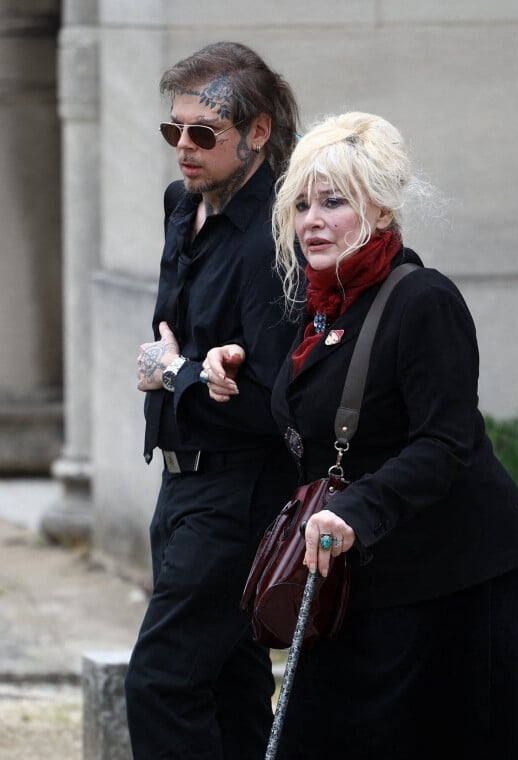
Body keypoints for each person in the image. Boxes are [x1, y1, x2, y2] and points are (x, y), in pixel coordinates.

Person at [204, 111, 518, 759]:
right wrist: (234, 370)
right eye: (302, 204)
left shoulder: (423, 300)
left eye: (334, 202)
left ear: (381, 213)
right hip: (359, 575)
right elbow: (319, 405)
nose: (312, 220)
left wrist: (354, 510)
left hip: (451, 572)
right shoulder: (321, 305)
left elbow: (447, 441)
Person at [125, 42, 301, 760]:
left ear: (258, 132)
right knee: (227, 680)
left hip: (241, 489)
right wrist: (170, 366)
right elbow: (176, 337)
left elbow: (271, 398)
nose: (184, 150)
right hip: (180, 479)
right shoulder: (183, 205)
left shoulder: (274, 233)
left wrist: (176, 373)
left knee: (160, 681)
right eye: (175, 131)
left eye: (205, 134)